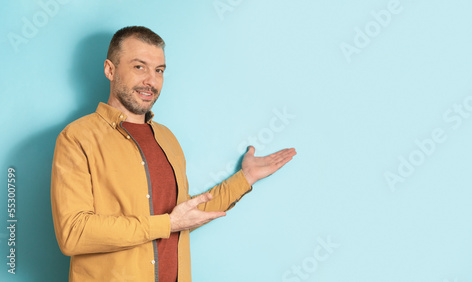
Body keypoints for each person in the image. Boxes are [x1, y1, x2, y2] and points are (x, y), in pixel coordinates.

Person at [51, 26, 296, 282]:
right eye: (139, 67)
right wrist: (166, 224)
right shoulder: (77, 137)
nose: (151, 81)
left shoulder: (167, 138)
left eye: (159, 70)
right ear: (110, 70)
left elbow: (183, 214)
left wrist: (245, 178)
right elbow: (74, 233)